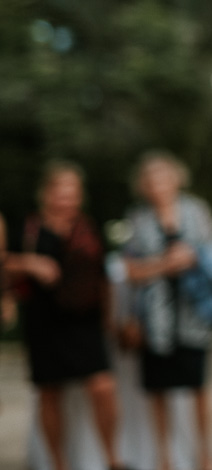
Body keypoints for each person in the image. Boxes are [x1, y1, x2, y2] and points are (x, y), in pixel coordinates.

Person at [5, 161, 122, 470]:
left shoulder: (89, 229)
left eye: (71, 194)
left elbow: (104, 276)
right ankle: (59, 463)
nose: (65, 200)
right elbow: (4, 263)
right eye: (59, 193)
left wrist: (110, 318)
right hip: (44, 320)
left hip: (84, 320)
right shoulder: (29, 229)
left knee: (103, 387)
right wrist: (31, 263)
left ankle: (112, 458)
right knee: (49, 391)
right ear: (46, 194)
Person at [122, 152, 212, 470]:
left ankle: (205, 454)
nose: (158, 185)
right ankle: (164, 457)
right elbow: (130, 269)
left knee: (199, 386)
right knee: (159, 390)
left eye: (163, 177)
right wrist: (164, 264)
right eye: (151, 180)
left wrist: (193, 256)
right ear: (143, 186)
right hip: (155, 317)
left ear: (176, 179)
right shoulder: (137, 219)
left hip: (195, 311)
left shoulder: (197, 210)